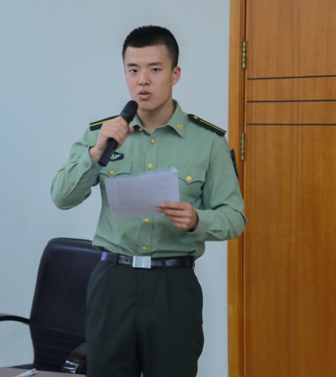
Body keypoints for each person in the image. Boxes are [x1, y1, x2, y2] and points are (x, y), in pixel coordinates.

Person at [50, 25, 246, 377]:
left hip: (173, 286)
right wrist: (95, 154)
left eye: (155, 69)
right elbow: (62, 197)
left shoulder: (208, 142)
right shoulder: (101, 135)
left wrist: (197, 220)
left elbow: (234, 217)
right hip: (113, 282)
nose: (143, 80)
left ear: (175, 74)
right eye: (133, 70)